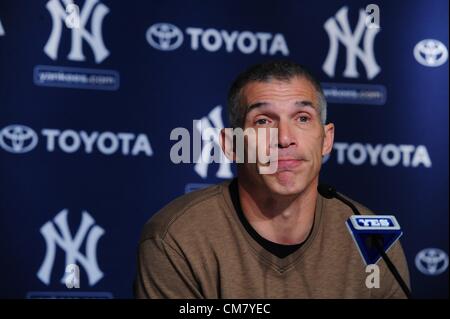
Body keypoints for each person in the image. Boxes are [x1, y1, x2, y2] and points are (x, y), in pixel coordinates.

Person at [134, 60, 410, 298]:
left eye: (302, 118)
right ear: (232, 145)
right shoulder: (177, 239)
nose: (285, 138)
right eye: (263, 121)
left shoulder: (373, 239)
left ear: (326, 140)